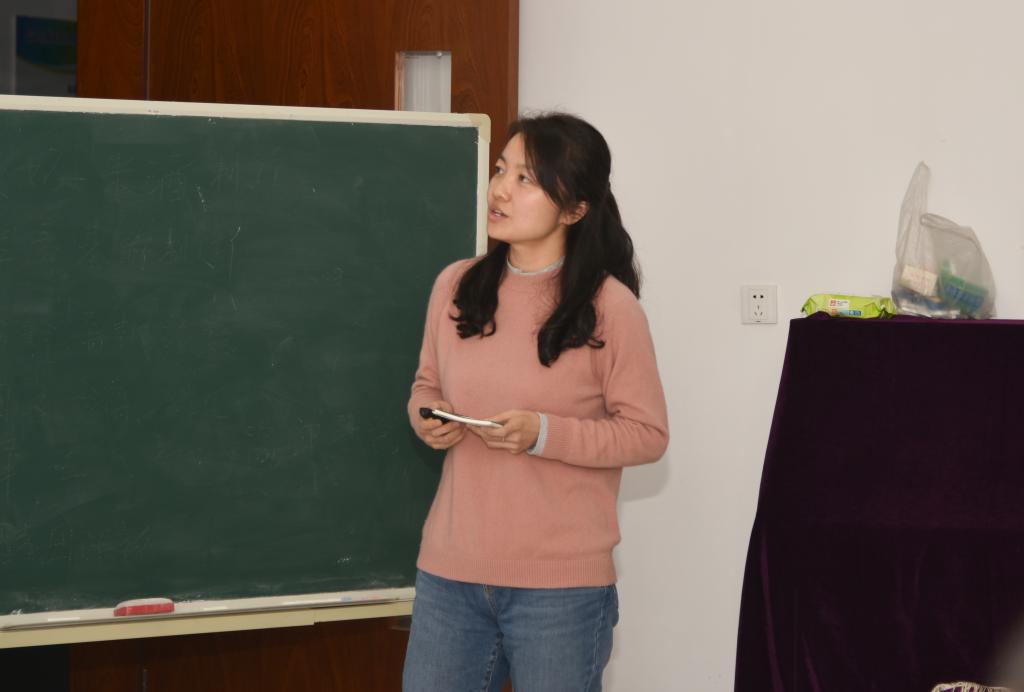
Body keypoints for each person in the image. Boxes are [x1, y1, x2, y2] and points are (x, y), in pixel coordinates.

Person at [402, 112, 669, 692]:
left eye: (525, 179)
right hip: (449, 574)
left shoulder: (610, 306)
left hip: (561, 591)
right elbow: (426, 385)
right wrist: (428, 418)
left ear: (574, 208)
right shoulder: (455, 285)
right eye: (501, 170)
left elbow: (647, 434)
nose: (499, 189)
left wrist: (543, 433)